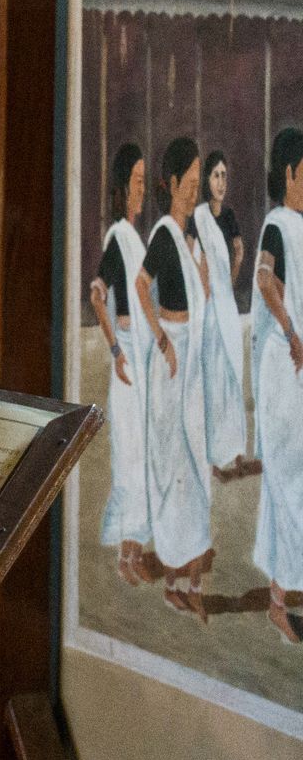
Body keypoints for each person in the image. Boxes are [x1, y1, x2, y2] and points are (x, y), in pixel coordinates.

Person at [136, 136, 213, 618]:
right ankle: (172, 579)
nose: (194, 191)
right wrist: (163, 342)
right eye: (188, 184)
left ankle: (191, 578)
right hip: (171, 362)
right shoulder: (164, 233)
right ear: (171, 184)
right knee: (172, 465)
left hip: (194, 362)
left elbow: (206, 292)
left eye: (197, 183)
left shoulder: (193, 236)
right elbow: (142, 287)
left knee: (196, 466)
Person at [90, 143, 151, 586]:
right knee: (129, 455)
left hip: (143, 353)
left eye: (145, 182)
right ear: (121, 188)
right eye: (137, 182)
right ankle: (124, 557)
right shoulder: (117, 238)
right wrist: (116, 350)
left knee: (142, 456)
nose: (142, 191)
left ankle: (134, 552)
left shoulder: (135, 237)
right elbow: (96, 294)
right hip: (127, 354)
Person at [252, 127, 303, 644]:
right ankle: (281, 599)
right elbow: (266, 280)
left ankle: (277, 599)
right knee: (289, 478)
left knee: (293, 480)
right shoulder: (276, 224)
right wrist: (291, 331)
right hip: (284, 366)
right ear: (288, 173)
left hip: (300, 366)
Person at [194, 151, 253, 480]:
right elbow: (195, 255)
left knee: (233, 374)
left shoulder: (228, 216)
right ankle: (215, 457)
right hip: (207, 310)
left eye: (224, 176)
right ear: (206, 180)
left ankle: (238, 453)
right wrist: (206, 291)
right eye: (215, 175)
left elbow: (240, 250)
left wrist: (227, 283)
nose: (220, 182)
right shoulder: (199, 216)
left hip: (225, 305)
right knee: (213, 378)